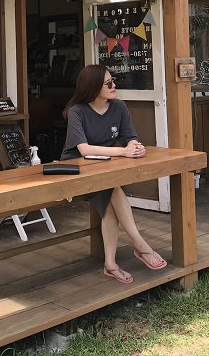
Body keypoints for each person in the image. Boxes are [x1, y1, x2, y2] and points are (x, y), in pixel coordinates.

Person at [60, 64, 167, 284]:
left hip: (106, 166)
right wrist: (123, 151)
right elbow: (84, 149)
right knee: (115, 189)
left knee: (109, 205)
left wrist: (136, 147)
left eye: (113, 80)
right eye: (108, 83)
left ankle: (110, 264)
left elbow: (129, 136)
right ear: (92, 87)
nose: (114, 85)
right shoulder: (77, 111)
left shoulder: (118, 107)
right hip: (78, 166)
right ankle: (140, 244)